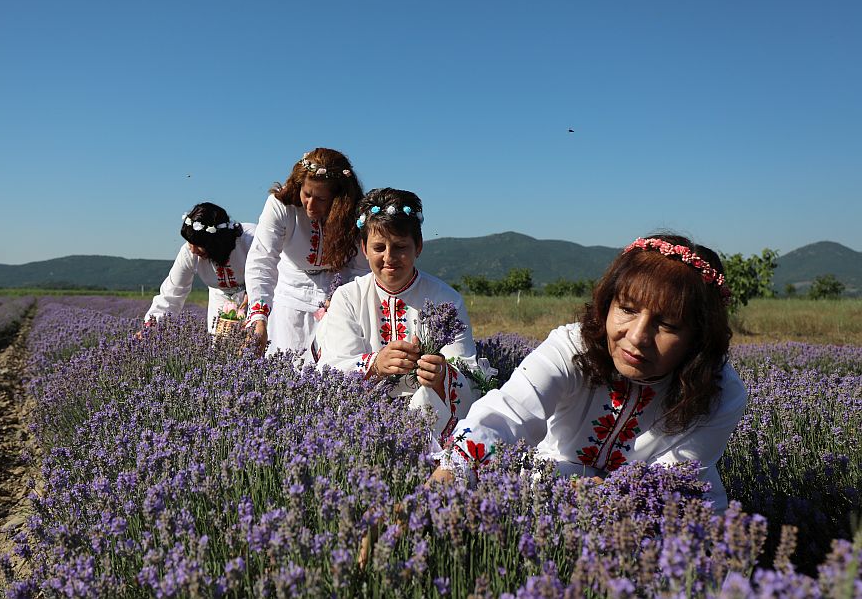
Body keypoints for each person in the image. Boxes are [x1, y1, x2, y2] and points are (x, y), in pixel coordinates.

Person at [431, 234, 747, 512]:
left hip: (660, 512)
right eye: (628, 309)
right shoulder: (572, 347)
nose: (637, 337)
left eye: (667, 324)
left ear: (699, 337)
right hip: (550, 481)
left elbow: (665, 484)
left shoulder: (722, 393)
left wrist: (600, 495)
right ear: (607, 304)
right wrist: (449, 476)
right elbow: (506, 415)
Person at [314, 188, 478, 440]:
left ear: (418, 247)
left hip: (429, 421)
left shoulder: (446, 299)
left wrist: (441, 375)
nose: (389, 258)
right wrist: (375, 365)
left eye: (400, 246)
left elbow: (468, 370)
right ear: (364, 249)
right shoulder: (348, 297)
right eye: (379, 247)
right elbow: (332, 368)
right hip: (362, 418)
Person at [244, 148, 367, 354]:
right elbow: (262, 259)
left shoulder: (354, 213)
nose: (310, 205)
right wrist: (258, 316)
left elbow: (361, 269)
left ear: (339, 200)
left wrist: (341, 297)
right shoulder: (281, 205)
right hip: (289, 294)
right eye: (307, 194)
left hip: (337, 295)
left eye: (321, 199)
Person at [141, 203, 255, 335]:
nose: (193, 250)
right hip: (221, 303)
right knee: (222, 348)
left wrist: (253, 294)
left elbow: (275, 271)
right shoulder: (189, 252)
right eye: (190, 242)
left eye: (200, 245)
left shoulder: (251, 239)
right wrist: (152, 326)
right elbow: (173, 292)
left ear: (217, 242)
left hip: (260, 299)